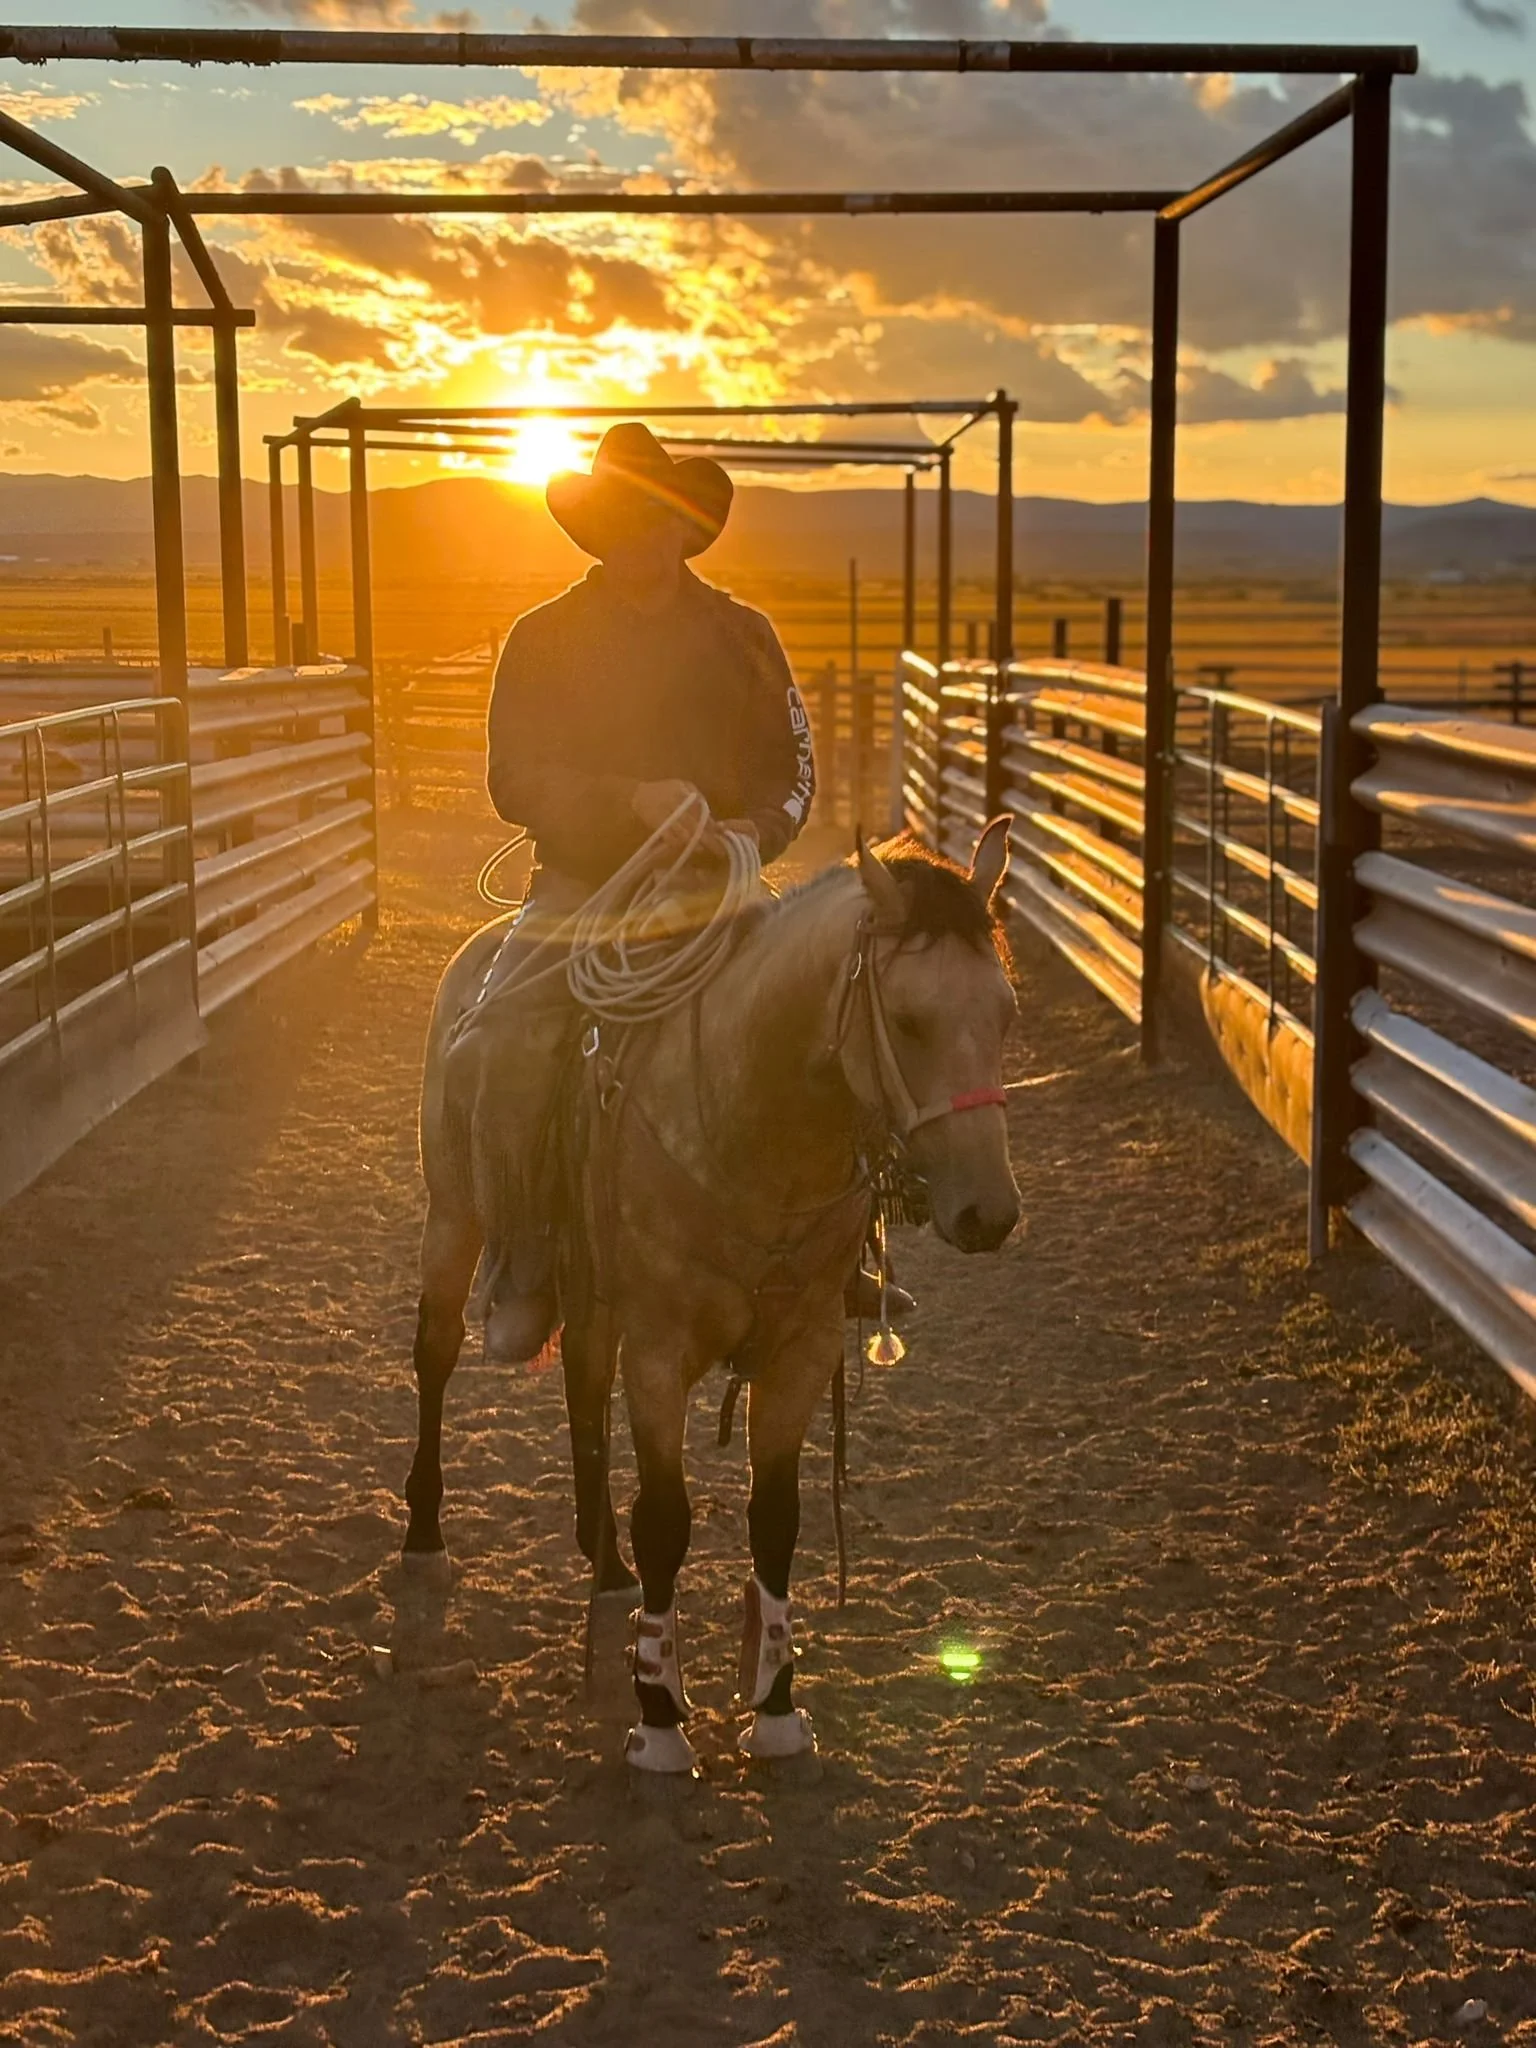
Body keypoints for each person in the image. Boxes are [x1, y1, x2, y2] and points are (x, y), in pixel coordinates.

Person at [449, 423, 817, 1362]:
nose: (640, 532)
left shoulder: (745, 637)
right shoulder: (544, 638)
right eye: (621, 515)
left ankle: (832, 1255)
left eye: (657, 515)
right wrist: (627, 804)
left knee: (819, 1023)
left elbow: (795, 773)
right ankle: (525, 1261)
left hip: (719, 889)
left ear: (683, 524)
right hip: (582, 887)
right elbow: (512, 778)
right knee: (499, 1046)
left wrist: (754, 831)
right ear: (598, 526)